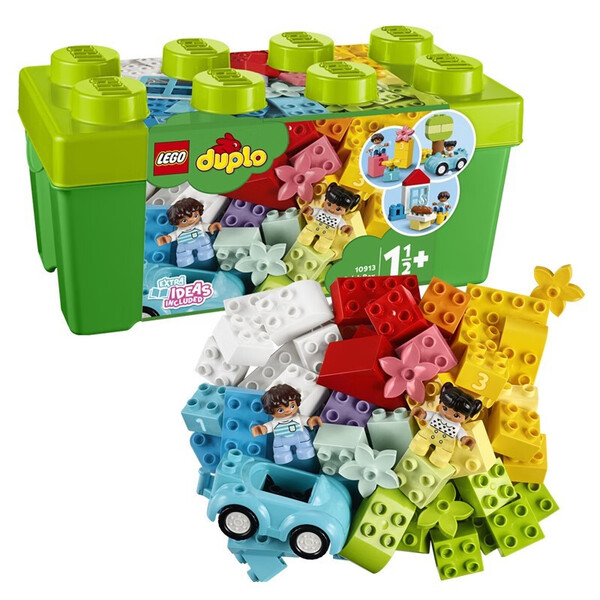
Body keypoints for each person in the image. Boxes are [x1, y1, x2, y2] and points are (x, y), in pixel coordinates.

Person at [409, 383, 482, 468]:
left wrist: (465, 439)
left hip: (446, 442)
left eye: (456, 415)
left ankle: (438, 459)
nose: (449, 415)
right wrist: (422, 414)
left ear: (465, 417)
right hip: (429, 432)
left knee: (442, 456)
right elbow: (427, 415)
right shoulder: (436, 415)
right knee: (420, 442)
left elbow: (461, 434)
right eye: (445, 408)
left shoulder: (457, 427)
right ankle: (418, 447)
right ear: (440, 403)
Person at [251, 384, 322, 465]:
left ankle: (305, 451)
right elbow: (268, 427)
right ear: (270, 410)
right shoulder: (274, 423)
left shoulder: (298, 417)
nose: (288, 411)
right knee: (281, 453)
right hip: (281, 440)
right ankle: (282, 457)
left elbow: (305, 420)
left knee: (306, 449)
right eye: (280, 410)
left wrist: (310, 421)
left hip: (300, 436)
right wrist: (262, 429)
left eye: (292, 406)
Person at [156, 197, 222, 267]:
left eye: (195, 216)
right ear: (175, 222)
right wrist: (167, 238)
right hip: (184, 245)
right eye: (184, 220)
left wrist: (211, 227)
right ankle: (184, 260)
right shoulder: (179, 231)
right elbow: (173, 236)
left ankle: (205, 254)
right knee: (183, 255)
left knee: (206, 250)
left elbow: (206, 227)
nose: (191, 220)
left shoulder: (199, 225)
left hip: (201, 241)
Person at [297, 183, 361, 254]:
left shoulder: (339, 219)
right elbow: (314, 211)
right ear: (325, 200)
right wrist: (310, 210)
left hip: (328, 232)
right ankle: (304, 239)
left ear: (346, 210)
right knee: (306, 234)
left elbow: (342, 225)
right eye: (329, 204)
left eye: (338, 209)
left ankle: (321, 247)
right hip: (315, 225)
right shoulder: (321, 210)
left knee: (323, 244)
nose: (332, 209)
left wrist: (344, 228)